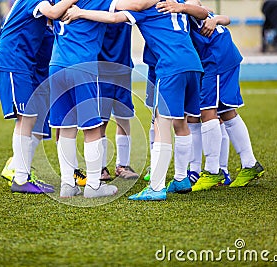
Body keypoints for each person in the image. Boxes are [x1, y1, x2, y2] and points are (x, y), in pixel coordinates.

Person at [62, 0, 208, 201]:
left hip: (171, 68)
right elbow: (202, 13)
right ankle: (181, 178)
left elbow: (113, 17)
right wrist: (183, 7)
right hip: (193, 65)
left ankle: (156, 188)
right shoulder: (177, 3)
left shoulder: (146, 7)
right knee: (181, 123)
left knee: (161, 126)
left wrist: (80, 13)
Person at [49, 0, 157, 198]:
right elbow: (133, 7)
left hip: (56, 65)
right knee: (91, 129)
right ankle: (93, 186)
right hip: (82, 65)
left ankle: (67, 184)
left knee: (66, 128)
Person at [157, 0, 265, 191]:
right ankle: (250, 164)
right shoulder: (192, 12)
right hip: (225, 57)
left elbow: (205, 12)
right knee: (227, 112)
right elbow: (221, 16)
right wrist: (213, 19)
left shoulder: (185, 10)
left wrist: (183, 7)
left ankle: (213, 171)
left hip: (214, 61)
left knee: (207, 112)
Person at [0, 0, 79, 194]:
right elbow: (53, 12)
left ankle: (23, 173)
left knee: (34, 119)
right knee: (26, 118)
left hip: (25, 64)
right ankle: (20, 177)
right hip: (14, 62)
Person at [98, 23, 139, 181]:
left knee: (124, 118)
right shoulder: (96, 6)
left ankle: (122, 165)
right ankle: (100, 168)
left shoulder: (127, 7)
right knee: (101, 122)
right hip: (101, 71)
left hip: (123, 69)